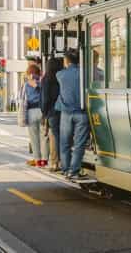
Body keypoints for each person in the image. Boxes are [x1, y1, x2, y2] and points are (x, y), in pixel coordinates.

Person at [57, 51, 90, 180]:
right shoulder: (85, 73)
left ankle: (65, 169)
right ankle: (74, 171)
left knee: (65, 142)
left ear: (67, 61)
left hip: (66, 113)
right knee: (79, 144)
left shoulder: (60, 75)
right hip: (82, 112)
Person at [41, 56, 61, 171]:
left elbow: (45, 98)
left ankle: (54, 162)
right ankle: (62, 161)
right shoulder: (61, 77)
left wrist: (44, 113)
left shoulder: (47, 78)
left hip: (52, 111)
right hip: (62, 110)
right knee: (63, 137)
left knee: (53, 137)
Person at [22, 64, 45, 166]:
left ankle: (37, 160)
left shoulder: (26, 84)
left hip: (31, 111)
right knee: (44, 137)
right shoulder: (42, 83)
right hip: (41, 110)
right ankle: (45, 160)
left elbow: (22, 99)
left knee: (34, 138)